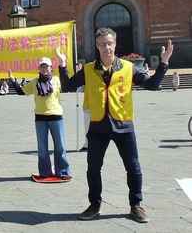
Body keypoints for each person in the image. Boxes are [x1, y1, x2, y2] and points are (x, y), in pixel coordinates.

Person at [57, 27, 173, 223]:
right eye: (102, 44)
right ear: (97, 46)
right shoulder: (88, 69)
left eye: (109, 43)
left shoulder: (129, 68)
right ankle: (95, 204)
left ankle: (136, 205)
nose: (106, 47)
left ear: (115, 44)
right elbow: (67, 87)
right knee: (93, 168)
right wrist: (62, 66)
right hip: (98, 126)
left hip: (124, 125)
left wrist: (164, 62)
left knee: (133, 167)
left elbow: (152, 85)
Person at [8, 57, 70, 180]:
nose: (45, 69)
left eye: (47, 66)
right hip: (40, 118)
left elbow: (67, 85)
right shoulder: (34, 83)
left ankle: (62, 172)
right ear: (39, 68)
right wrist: (13, 80)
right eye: (42, 66)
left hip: (56, 117)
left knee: (60, 146)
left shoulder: (57, 80)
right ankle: (45, 172)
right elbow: (21, 92)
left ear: (51, 67)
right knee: (42, 148)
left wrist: (63, 64)